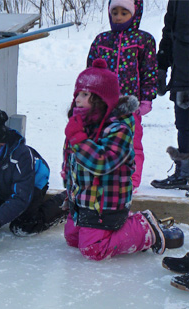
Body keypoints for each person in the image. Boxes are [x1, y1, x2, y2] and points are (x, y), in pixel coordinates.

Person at [63, 59, 166, 260]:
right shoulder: (80, 124)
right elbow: (69, 160)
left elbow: (103, 163)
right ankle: (108, 227)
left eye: (85, 95)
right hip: (82, 199)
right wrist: (69, 189)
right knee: (72, 238)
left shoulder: (119, 129)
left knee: (93, 249)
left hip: (106, 202)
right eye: (77, 94)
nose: (77, 99)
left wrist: (78, 139)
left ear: (101, 99)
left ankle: (144, 227)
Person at [0, 107, 67, 240]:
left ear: (1, 142)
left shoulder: (20, 156)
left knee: (24, 227)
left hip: (32, 183)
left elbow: (21, 198)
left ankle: (65, 202)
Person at [87, 0, 157, 190]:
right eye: (114, 12)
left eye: (123, 13)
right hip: (103, 105)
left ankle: (131, 181)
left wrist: (146, 99)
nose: (118, 17)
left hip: (130, 105)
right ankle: (103, 179)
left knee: (132, 145)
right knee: (101, 142)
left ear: (135, 14)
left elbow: (149, 72)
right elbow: (91, 73)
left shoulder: (144, 40)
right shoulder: (101, 40)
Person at [151, 0, 189, 191]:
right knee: (183, 126)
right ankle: (184, 175)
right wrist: (161, 67)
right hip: (181, 76)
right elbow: (169, 33)